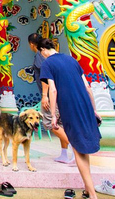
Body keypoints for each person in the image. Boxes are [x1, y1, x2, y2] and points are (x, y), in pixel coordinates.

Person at [38, 38, 102, 199]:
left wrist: (53, 114)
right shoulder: (72, 60)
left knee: (78, 149)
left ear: (42, 50)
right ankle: (88, 190)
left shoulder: (48, 63)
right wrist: (94, 110)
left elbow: (53, 90)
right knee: (82, 148)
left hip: (69, 107)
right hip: (85, 104)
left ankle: (93, 194)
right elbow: (87, 87)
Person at [28, 33, 74, 164]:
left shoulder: (40, 56)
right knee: (59, 124)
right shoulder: (62, 57)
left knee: (50, 124)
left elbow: (46, 77)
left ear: (32, 44)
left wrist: (45, 96)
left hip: (50, 95)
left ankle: (75, 149)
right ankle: (64, 153)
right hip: (62, 93)